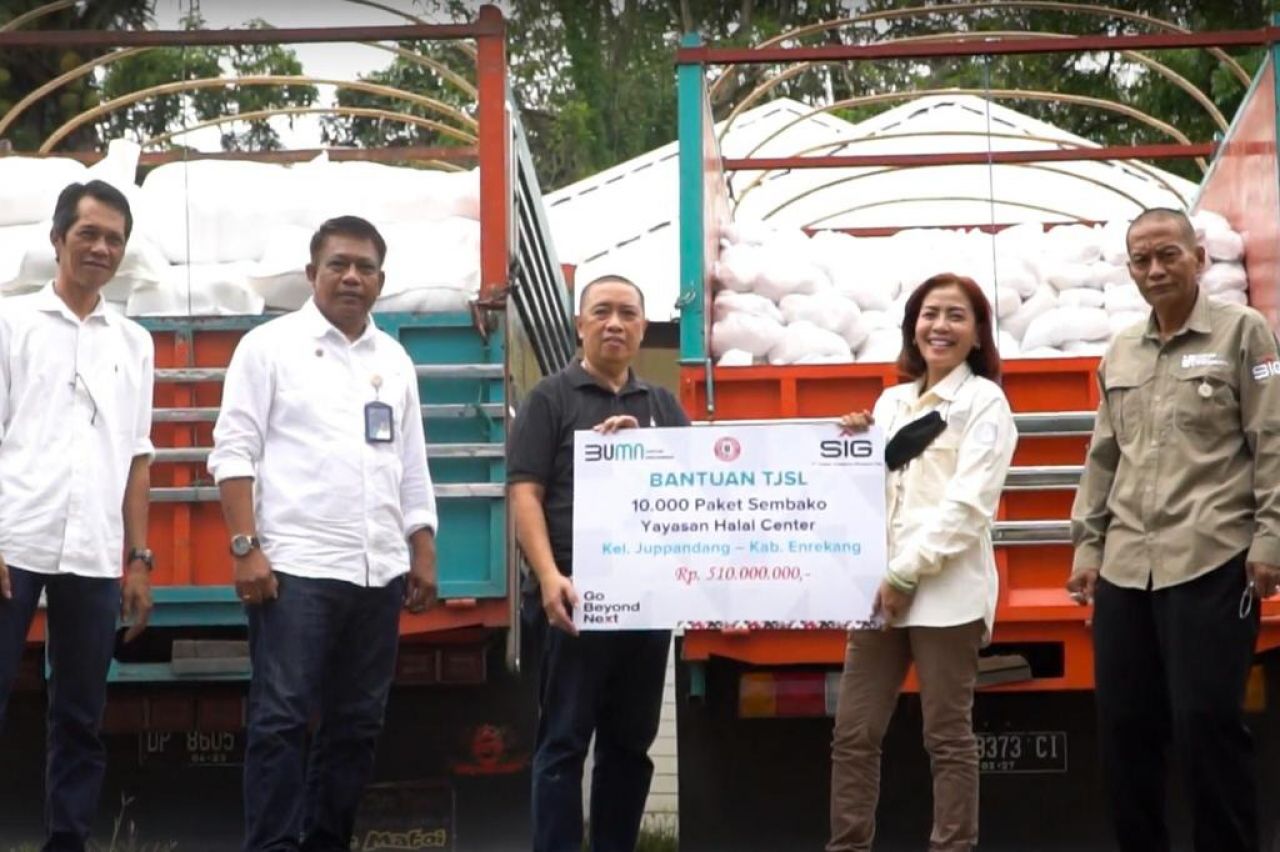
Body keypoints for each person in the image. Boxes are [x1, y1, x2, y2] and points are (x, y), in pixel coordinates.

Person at [208, 215, 440, 852]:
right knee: (281, 721)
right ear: (312, 274)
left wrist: (421, 547)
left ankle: (326, 841)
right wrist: (245, 548)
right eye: (338, 264)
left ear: (381, 281)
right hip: (297, 573)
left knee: (358, 725)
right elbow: (233, 453)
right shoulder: (268, 347)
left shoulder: (393, 360)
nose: (351, 277)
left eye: (365, 267)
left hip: (377, 572)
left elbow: (410, 463)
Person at [1067, 207, 1280, 852]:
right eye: (1142, 259)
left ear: (1199, 258)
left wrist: (1269, 539)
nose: (1155, 269)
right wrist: (1087, 546)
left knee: (1205, 725)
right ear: (1130, 270)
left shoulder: (1244, 334)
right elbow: (1103, 454)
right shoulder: (1121, 350)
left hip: (1211, 556)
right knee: (1125, 732)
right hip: (1128, 565)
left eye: (1168, 255)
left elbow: (1270, 440)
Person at [828, 273, 1017, 852]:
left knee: (947, 737)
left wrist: (906, 572)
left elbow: (968, 506)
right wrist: (849, 440)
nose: (941, 326)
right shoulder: (891, 402)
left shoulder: (985, 403)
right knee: (854, 733)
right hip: (880, 596)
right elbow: (868, 492)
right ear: (913, 325)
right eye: (930, 313)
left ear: (978, 333)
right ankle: (848, 844)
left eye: (956, 316)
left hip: (944, 595)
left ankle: (952, 846)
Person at [507, 274, 690, 852]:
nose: (615, 323)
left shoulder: (662, 406)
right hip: (574, 599)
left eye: (628, 313)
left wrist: (643, 449)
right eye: (602, 312)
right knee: (562, 744)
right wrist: (547, 577)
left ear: (643, 327)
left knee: (630, 748)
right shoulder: (550, 399)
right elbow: (524, 493)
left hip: (645, 605)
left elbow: (693, 490)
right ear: (580, 325)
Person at [0, 180, 156, 852]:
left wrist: (140, 559)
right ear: (58, 238)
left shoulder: (134, 341)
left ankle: (69, 840)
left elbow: (138, 457)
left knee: (81, 716)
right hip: (14, 540)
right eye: (88, 233)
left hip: (94, 551)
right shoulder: (11, 325)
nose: (101, 248)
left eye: (114, 239)